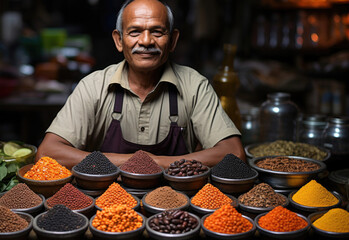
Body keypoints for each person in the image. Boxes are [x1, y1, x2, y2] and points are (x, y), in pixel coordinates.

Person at [36, 0, 245, 168]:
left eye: (157, 31)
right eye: (135, 31)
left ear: (172, 40)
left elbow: (234, 153)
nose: (146, 41)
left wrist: (156, 163)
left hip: (176, 206)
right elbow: (47, 152)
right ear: (119, 40)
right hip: (105, 205)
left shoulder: (194, 85)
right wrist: (136, 163)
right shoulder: (94, 86)